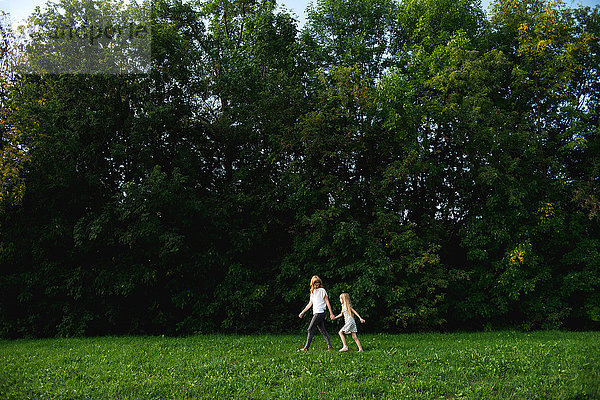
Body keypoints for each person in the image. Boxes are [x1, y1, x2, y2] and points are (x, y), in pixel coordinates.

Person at [297, 275, 335, 351]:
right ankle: (330, 346)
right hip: (316, 313)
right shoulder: (312, 292)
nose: (317, 284)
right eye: (315, 283)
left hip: (320, 312)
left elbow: (327, 302)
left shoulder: (322, 290)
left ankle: (306, 348)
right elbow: (310, 304)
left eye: (318, 282)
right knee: (323, 330)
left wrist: (331, 313)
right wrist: (302, 312)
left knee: (310, 329)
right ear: (312, 284)